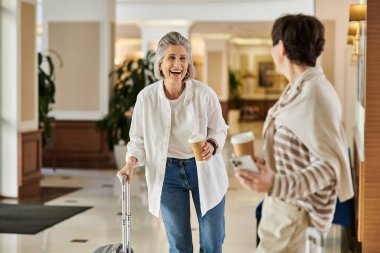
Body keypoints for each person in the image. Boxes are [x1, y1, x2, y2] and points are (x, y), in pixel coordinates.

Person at [234, 14, 354, 253]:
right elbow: (300, 148)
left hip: (296, 218)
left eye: (272, 45)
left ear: (281, 47)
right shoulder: (297, 89)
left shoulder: (316, 93)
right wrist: (266, 166)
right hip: (283, 211)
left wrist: (275, 182)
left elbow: (329, 167)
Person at [117, 31, 229, 253]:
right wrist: (130, 163)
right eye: (171, 58)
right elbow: (137, 139)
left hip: (203, 170)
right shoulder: (146, 98)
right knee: (179, 245)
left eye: (183, 58)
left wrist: (212, 144)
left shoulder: (204, 94)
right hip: (167, 174)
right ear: (160, 63)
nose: (177, 64)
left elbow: (219, 129)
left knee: (212, 242)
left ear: (188, 64)